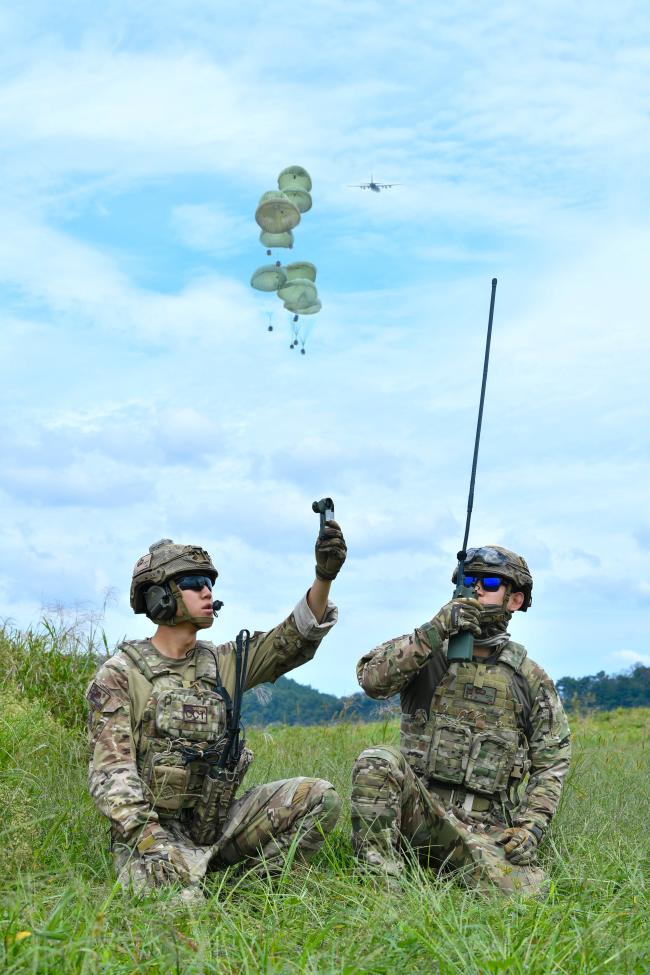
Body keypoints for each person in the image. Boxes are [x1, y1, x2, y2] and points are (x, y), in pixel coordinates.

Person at [86, 521, 346, 898]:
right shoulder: (121, 674)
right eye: (193, 583)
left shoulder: (222, 663)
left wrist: (324, 576)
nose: (207, 592)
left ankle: (249, 893)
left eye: (210, 584)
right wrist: (151, 843)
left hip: (215, 824)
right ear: (160, 596)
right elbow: (112, 775)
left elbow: (290, 641)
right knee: (183, 911)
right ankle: (192, 887)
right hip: (151, 836)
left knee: (320, 798)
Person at [350, 545, 571, 897]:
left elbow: (552, 762)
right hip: (418, 813)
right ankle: (383, 890)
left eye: (490, 582)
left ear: (514, 600)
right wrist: (436, 630)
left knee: (528, 897)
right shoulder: (426, 648)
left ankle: (446, 872)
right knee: (378, 761)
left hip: (483, 830)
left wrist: (531, 829)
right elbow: (372, 680)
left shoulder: (529, 678)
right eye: (469, 580)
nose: (477, 587)